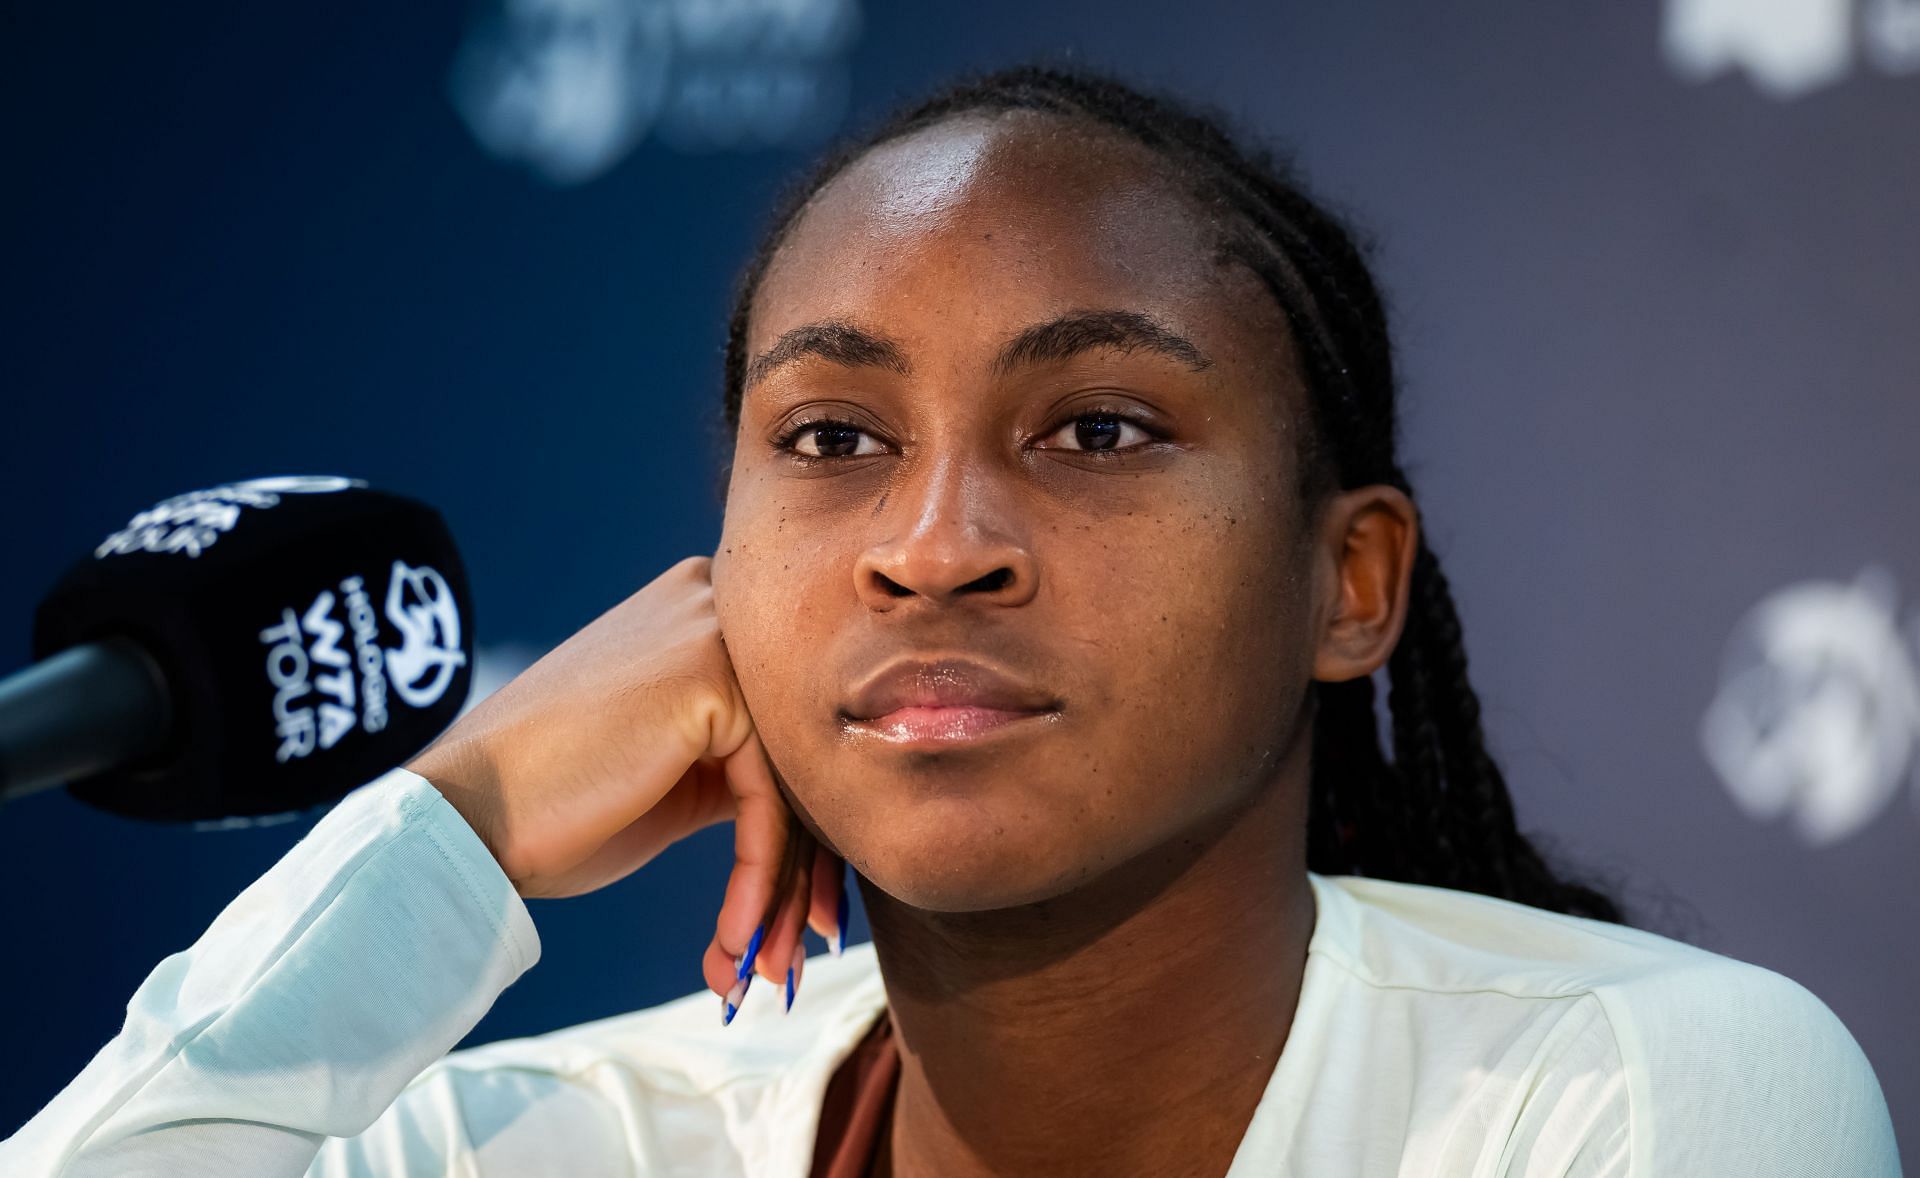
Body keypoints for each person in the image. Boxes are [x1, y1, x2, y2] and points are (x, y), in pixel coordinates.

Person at [1, 65, 1901, 1178]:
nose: (932, 546)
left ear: (1350, 582)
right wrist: (460, 825)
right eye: (832, 438)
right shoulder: (573, 1134)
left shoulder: (1643, 1089)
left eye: (1095, 429)